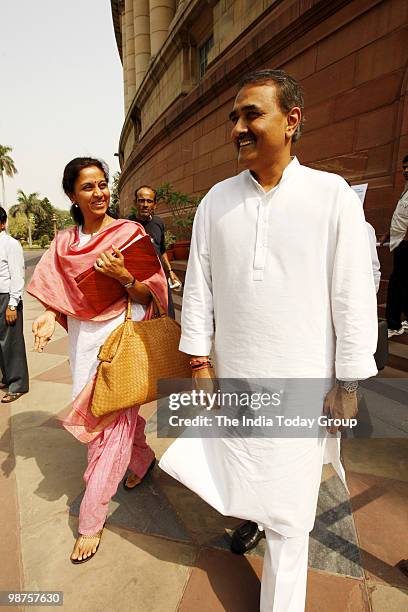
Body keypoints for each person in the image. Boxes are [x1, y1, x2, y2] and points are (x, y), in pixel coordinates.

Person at [159, 70, 378, 611]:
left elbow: (352, 293)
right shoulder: (216, 200)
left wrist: (347, 381)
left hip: (302, 381)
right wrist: (199, 363)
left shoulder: (331, 197)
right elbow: (200, 287)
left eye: (252, 114)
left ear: (292, 120)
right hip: (235, 376)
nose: (238, 127)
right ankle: (254, 515)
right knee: (242, 472)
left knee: (290, 509)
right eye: (234, 117)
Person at [27, 158, 167, 563]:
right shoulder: (64, 244)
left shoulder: (129, 233)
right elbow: (58, 296)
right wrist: (49, 319)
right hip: (84, 345)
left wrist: (124, 275)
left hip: (122, 340)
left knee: (110, 427)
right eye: (89, 187)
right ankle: (143, 458)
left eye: (104, 185)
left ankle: (91, 519)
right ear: (72, 195)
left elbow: (149, 294)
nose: (100, 193)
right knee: (112, 421)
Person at [128, 185, 181, 319]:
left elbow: (161, 249)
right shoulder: (127, 225)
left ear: (155, 205)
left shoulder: (158, 223)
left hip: (159, 278)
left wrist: (170, 271)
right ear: (135, 203)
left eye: (149, 201)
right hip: (138, 284)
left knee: (166, 317)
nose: (145, 205)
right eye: (141, 200)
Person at [0, 207, 29, 403]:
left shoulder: (11, 245)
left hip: (6, 297)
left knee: (11, 342)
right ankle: (7, 377)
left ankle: (18, 384)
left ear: (2, 224)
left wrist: (12, 304)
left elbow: (18, 276)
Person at [380, 155, 408, 337]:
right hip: (399, 243)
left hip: (405, 245)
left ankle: (393, 324)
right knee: (401, 284)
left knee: (397, 286)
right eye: (404, 167)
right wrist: (389, 235)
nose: (405, 170)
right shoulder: (405, 190)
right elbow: (401, 216)